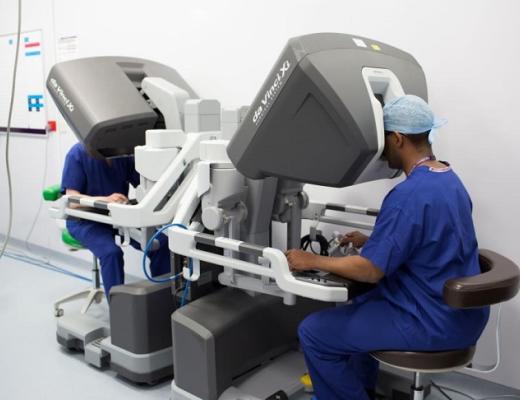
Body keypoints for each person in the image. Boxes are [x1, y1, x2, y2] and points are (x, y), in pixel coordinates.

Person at [285, 95, 490, 400]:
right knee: (362, 306)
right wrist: (375, 243)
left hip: (431, 321)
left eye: (383, 140)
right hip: (462, 313)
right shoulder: (449, 179)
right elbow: (434, 240)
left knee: (314, 333)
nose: (381, 151)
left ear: (397, 139)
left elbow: (369, 271)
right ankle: (362, 389)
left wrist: (311, 259)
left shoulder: (408, 194)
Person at [61, 142, 171, 298]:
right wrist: (105, 199)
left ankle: (162, 298)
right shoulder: (77, 153)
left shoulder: (121, 153)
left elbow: (142, 185)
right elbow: (72, 199)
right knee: (111, 253)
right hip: (84, 220)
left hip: (117, 217)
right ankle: (118, 313)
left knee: (159, 242)